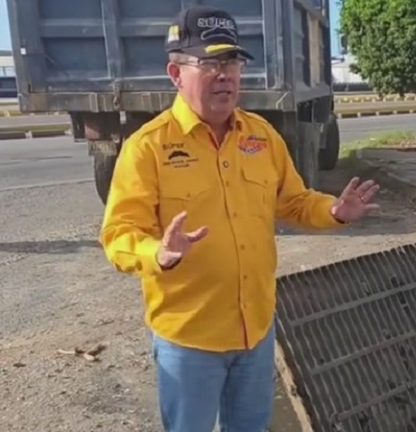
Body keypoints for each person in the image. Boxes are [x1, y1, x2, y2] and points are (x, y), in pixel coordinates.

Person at [99, 6, 379, 432]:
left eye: (231, 62)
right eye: (209, 63)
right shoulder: (148, 148)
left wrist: (334, 212)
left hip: (256, 332)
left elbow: (295, 201)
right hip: (190, 339)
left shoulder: (261, 136)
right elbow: (119, 235)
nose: (225, 75)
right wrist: (159, 252)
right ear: (176, 73)